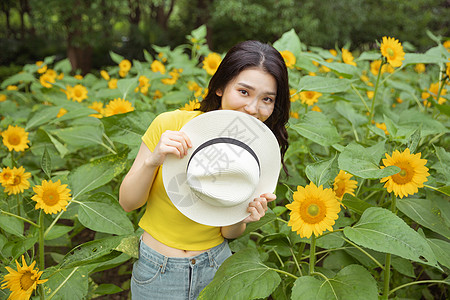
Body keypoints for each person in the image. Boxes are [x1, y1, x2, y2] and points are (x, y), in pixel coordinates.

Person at [119, 40, 290, 300]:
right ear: (220, 87)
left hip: (217, 266)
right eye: (244, 92)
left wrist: (242, 216)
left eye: (267, 99)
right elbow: (128, 203)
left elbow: (228, 233)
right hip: (159, 270)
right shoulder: (172, 126)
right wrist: (153, 160)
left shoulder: (259, 152)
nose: (254, 109)